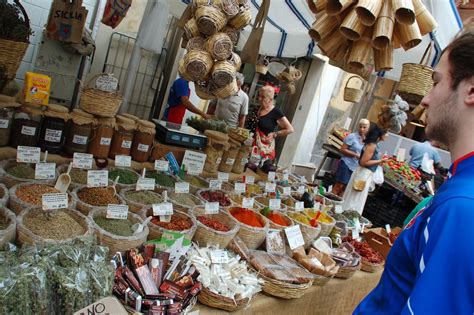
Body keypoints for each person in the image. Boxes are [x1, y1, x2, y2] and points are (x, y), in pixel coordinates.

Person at [354, 28, 474, 314]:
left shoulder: (462, 206)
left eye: (436, 83)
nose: (425, 100)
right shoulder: (460, 189)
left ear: (471, 90)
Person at [341, 124, 388, 214]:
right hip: (363, 174)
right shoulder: (372, 145)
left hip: (364, 173)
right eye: (386, 133)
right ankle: (347, 215)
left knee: (354, 197)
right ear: (380, 134)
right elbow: (363, 162)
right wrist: (379, 161)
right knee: (354, 199)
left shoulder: (374, 144)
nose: (387, 135)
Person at [254, 85, 294, 161]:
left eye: (263, 97)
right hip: (252, 146)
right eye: (259, 96)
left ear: (270, 99)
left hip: (264, 149)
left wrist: (275, 134)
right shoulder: (257, 108)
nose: (259, 99)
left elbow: (290, 129)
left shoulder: (276, 112)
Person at [331, 118, 370, 197]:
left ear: (368, 128)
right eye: (360, 127)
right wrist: (355, 154)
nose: (362, 129)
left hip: (356, 167)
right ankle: (329, 202)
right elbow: (342, 149)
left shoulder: (367, 140)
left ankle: (337, 206)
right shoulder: (352, 137)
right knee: (339, 186)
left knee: (346, 189)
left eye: (364, 127)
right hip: (346, 164)